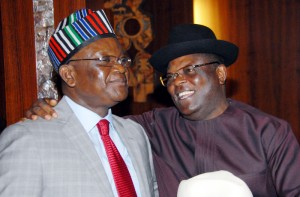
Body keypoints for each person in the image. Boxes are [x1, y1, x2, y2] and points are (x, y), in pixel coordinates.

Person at [25, 24, 300, 196]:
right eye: (170, 76)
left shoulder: (269, 132)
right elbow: (93, 123)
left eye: (190, 70)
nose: (178, 82)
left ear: (219, 73)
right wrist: (50, 109)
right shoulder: (148, 128)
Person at [0, 9, 157, 197]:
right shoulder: (29, 139)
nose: (120, 68)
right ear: (69, 75)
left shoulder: (135, 134)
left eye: (122, 60)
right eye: (105, 60)